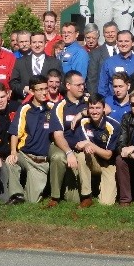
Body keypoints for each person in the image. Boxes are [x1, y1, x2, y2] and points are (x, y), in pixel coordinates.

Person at [6, 75, 53, 204]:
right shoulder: (24, 108)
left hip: (41, 162)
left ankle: (27, 194)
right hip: (25, 155)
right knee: (10, 162)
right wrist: (13, 152)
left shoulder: (52, 108)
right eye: (39, 89)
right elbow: (15, 132)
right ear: (32, 91)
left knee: (32, 201)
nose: (44, 92)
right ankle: (16, 195)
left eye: (45, 88)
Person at [45, 71, 89, 207]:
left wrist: (82, 113)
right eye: (78, 85)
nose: (82, 87)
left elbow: (106, 108)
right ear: (68, 86)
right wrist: (69, 152)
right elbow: (57, 135)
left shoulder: (88, 101)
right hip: (62, 146)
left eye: (83, 84)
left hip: (82, 147)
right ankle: (55, 197)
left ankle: (86, 196)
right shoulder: (60, 106)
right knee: (58, 157)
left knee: (72, 199)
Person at [72, 93, 120, 206]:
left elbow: (108, 155)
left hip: (109, 164)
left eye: (98, 108)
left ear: (104, 109)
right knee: (81, 155)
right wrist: (84, 146)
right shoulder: (83, 123)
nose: (94, 111)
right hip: (92, 160)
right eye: (91, 108)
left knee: (106, 203)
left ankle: (101, 189)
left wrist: (89, 144)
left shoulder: (113, 126)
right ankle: (86, 196)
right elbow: (79, 145)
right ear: (87, 110)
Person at [10, 32, 61, 100]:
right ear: (30, 44)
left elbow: (61, 83)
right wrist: (24, 89)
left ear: (45, 44)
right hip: (25, 103)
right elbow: (13, 82)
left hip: (48, 103)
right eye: (34, 42)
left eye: (40, 42)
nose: (37, 45)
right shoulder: (20, 62)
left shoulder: (55, 62)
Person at [98, 30, 134, 98]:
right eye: (120, 41)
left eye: (126, 41)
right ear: (116, 43)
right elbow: (102, 87)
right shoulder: (109, 62)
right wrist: (107, 103)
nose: (123, 44)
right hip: (114, 103)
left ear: (133, 43)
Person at [87, 21, 119, 92]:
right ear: (103, 34)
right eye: (107, 32)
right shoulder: (95, 53)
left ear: (117, 33)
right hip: (103, 95)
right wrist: (94, 98)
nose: (110, 34)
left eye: (112, 32)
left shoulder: (123, 51)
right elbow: (92, 79)